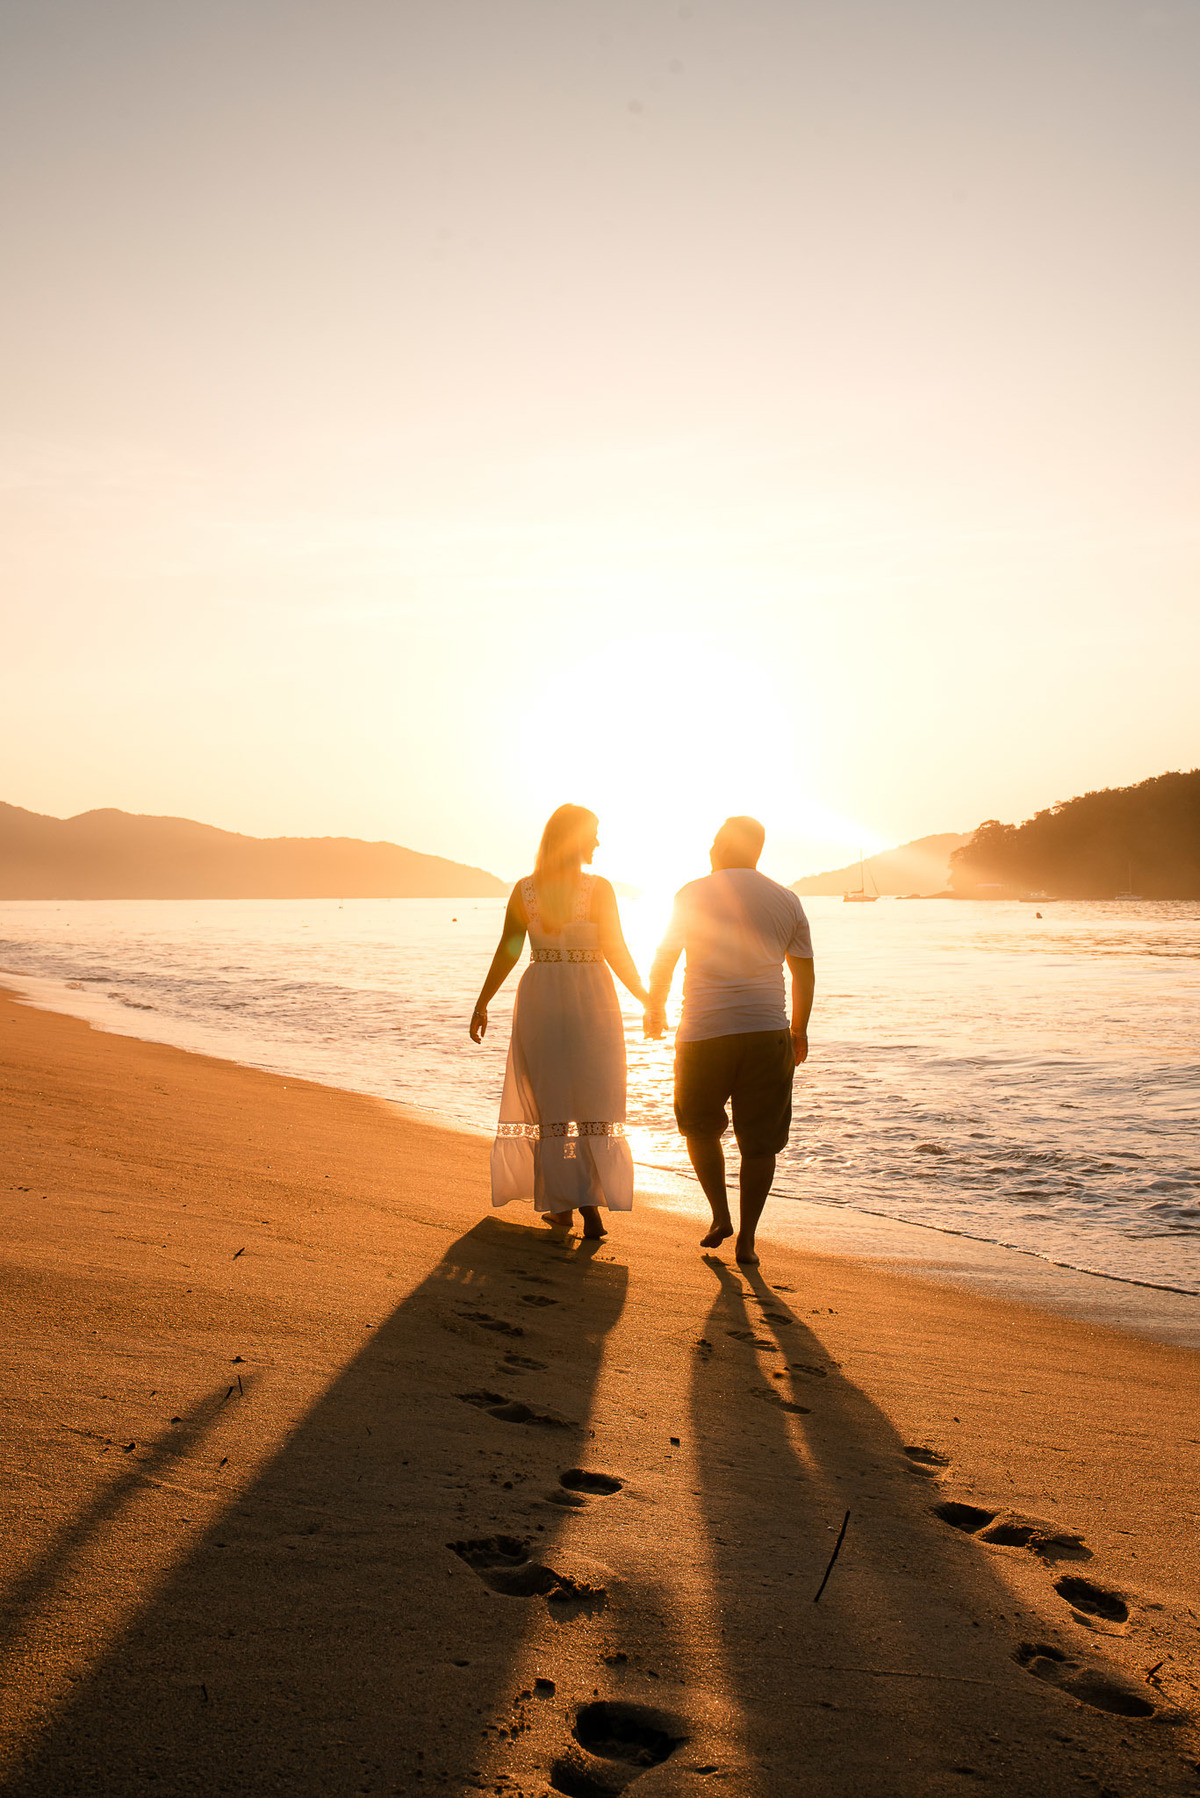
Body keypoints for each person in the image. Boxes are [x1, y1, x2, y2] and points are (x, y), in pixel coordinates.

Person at [470, 804, 651, 1238]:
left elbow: (510, 950)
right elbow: (616, 949)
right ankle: (582, 1203)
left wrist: (482, 1003)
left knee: (553, 1101)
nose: (597, 843)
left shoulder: (526, 889)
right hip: (591, 998)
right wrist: (648, 998)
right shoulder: (597, 889)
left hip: (542, 997)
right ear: (573, 838)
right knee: (593, 1098)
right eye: (593, 834)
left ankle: (569, 1205)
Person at [645, 816, 815, 1265]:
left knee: (699, 1127)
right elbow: (803, 972)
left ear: (719, 845)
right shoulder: (787, 900)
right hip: (767, 1032)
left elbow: (665, 955)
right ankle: (748, 1241)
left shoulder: (691, 893)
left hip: (703, 1033)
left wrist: (654, 1006)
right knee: (759, 1144)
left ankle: (721, 1216)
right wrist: (799, 1030)